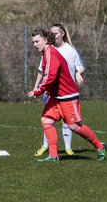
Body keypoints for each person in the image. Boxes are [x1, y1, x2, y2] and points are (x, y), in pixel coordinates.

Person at [28, 28, 107, 162]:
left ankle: (100, 146)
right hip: (56, 97)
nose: (35, 45)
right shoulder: (46, 53)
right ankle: (53, 155)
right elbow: (52, 77)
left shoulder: (51, 54)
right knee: (46, 120)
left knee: (74, 126)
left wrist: (37, 91)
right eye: (33, 42)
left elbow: (50, 77)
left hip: (67, 96)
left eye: (37, 41)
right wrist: (48, 90)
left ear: (45, 40)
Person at [33, 23, 85, 157]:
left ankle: (68, 148)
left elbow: (79, 66)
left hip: (67, 91)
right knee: (47, 119)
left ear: (62, 34)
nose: (53, 35)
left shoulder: (70, 49)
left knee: (68, 122)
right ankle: (47, 147)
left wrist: (78, 73)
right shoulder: (48, 50)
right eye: (51, 33)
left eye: (55, 33)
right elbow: (42, 70)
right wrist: (37, 86)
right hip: (51, 91)